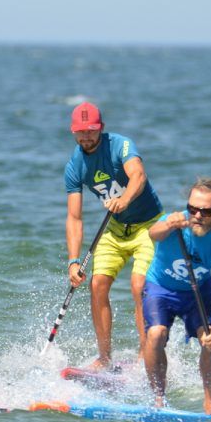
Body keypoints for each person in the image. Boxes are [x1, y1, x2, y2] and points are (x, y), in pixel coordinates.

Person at [64, 102, 164, 369]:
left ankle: (146, 356)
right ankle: (105, 358)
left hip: (149, 225)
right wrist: (73, 260)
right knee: (97, 285)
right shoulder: (75, 166)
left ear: (101, 129)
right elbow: (74, 218)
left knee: (139, 285)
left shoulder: (121, 145)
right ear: (73, 132)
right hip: (116, 229)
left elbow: (138, 175)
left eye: (91, 131)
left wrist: (125, 199)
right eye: (80, 132)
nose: (86, 137)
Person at [142, 178, 211, 415]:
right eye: (192, 208)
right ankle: (158, 398)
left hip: (197, 290)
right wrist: (167, 225)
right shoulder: (175, 222)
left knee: (209, 338)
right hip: (160, 288)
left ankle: (209, 404)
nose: (196, 215)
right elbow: (152, 234)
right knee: (156, 334)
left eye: (205, 211)